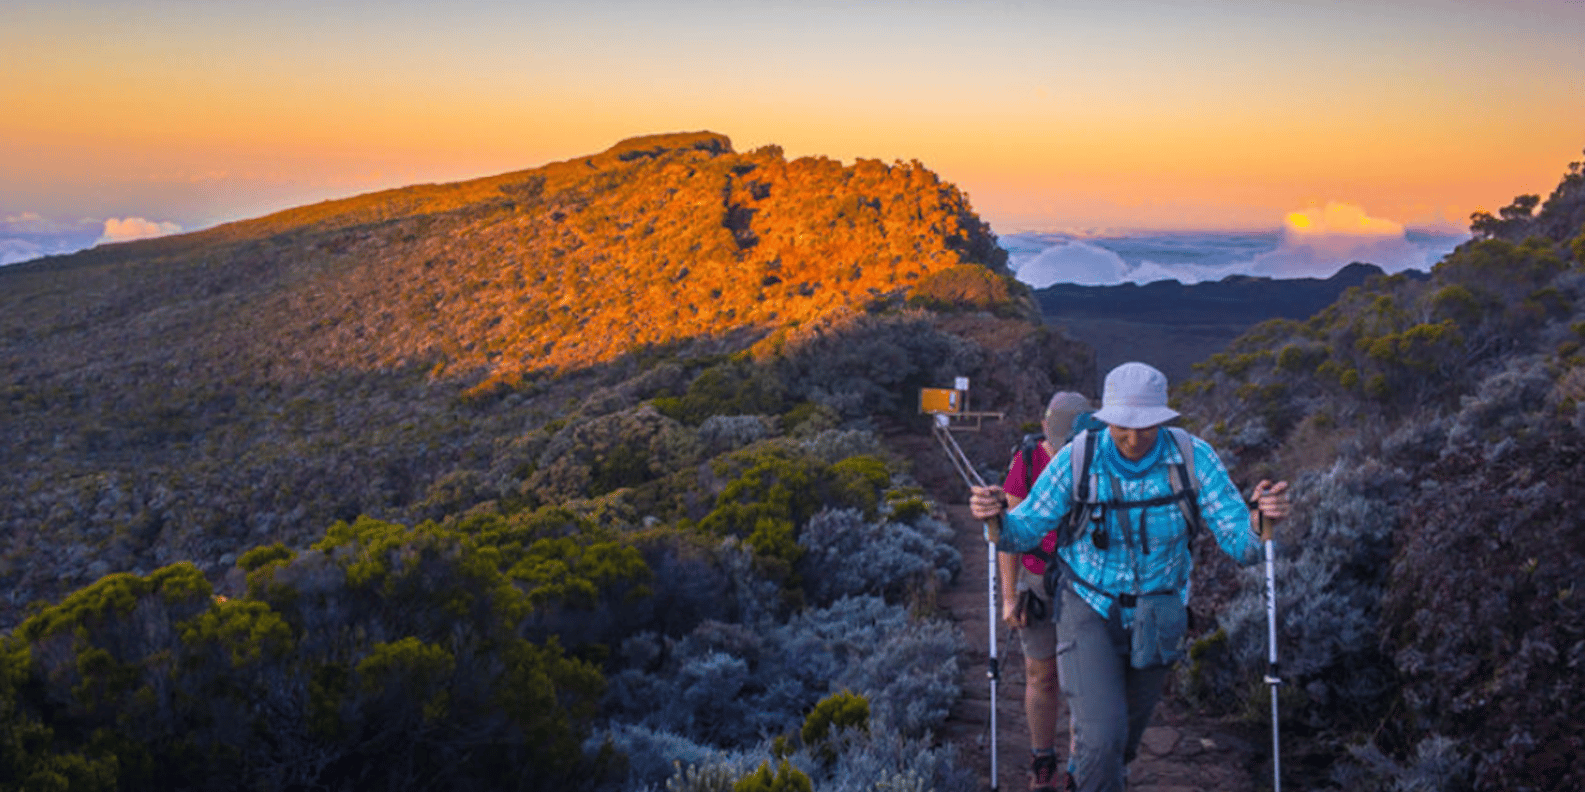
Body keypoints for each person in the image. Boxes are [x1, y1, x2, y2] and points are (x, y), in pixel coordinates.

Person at [971, 362, 1291, 792]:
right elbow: (1023, 528)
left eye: (1147, 425)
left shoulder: (1194, 457)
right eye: (1123, 425)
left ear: (1164, 418)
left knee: (1121, 744)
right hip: (1087, 605)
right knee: (1102, 738)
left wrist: (1260, 521)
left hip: (1159, 613)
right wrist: (995, 519)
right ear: (1107, 418)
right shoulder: (1079, 457)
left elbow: (1244, 545)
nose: (1134, 437)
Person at [1000, 391, 1091, 792]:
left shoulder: (1096, 461)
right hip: (1037, 582)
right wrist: (1008, 596)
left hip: (1087, 584)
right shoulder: (1028, 460)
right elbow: (1010, 532)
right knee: (1041, 674)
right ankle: (1043, 759)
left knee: (1084, 679)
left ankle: (1078, 767)